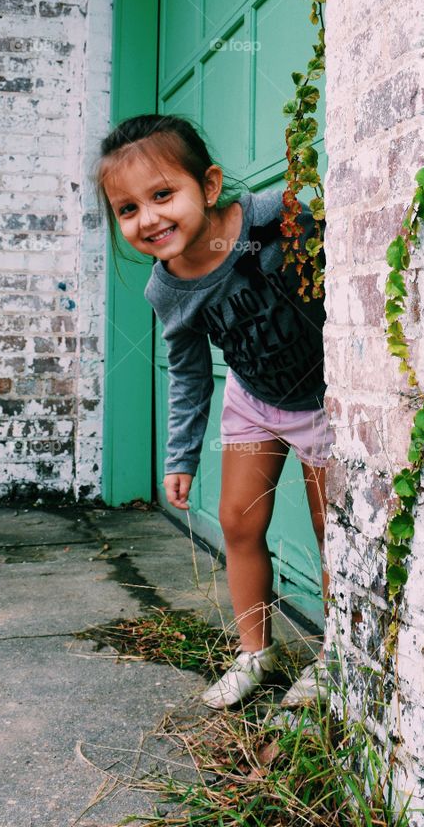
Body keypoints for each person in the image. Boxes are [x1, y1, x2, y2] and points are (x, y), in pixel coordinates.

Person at [95, 113, 332, 708]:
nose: (147, 218)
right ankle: (257, 651)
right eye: (127, 209)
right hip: (252, 401)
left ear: (208, 185)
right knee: (237, 521)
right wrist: (181, 456)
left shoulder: (273, 217)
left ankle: (338, 658)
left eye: (161, 194)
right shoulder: (167, 289)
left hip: (325, 402)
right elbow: (190, 372)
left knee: (337, 532)